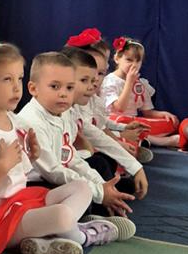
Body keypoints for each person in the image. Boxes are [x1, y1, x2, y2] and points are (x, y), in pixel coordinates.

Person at [0, 34, 125, 254]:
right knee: (62, 216)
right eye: (7, 79)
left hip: (21, 203)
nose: (16, 87)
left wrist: (32, 156)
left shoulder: (13, 120)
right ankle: (80, 235)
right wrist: (1, 166)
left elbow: (20, 173)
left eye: (19, 78)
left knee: (82, 187)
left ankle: (44, 242)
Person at [19, 52, 138, 221]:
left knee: (94, 171)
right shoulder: (32, 122)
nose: (63, 94)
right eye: (55, 86)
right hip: (32, 185)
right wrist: (98, 192)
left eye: (69, 88)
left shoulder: (63, 113)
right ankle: (87, 220)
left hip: (55, 175)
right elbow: (53, 171)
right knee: (80, 193)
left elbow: (71, 158)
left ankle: (103, 209)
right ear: (33, 89)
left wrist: (101, 185)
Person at [62, 46, 148, 199]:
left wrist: (135, 167)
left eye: (100, 74)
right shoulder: (60, 113)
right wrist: (101, 191)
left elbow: (98, 132)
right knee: (98, 163)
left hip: (72, 164)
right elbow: (57, 166)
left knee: (103, 161)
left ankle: (110, 189)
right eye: (84, 80)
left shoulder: (74, 110)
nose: (93, 83)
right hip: (51, 178)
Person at [101, 36, 179, 146]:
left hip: (135, 122)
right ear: (117, 59)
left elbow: (147, 112)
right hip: (116, 122)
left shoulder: (141, 83)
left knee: (170, 123)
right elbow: (120, 108)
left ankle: (141, 139)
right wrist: (129, 83)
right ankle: (161, 141)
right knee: (121, 121)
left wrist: (162, 114)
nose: (134, 65)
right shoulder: (109, 81)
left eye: (138, 61)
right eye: (129, 60)